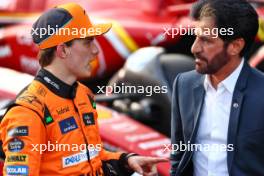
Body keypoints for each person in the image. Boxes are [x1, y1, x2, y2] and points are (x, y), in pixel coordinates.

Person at [0, 3, 167, 176]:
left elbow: (92, 156)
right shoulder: (27, 112)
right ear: (63, 50)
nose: (95, 50)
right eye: (87, 42)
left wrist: (126, 161)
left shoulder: (83, 94)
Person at [170, 0, 264, 175]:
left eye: (206, 40)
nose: (194, 48)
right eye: (195, 37)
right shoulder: (183, 84)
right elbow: (178, 154)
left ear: (235, 46)